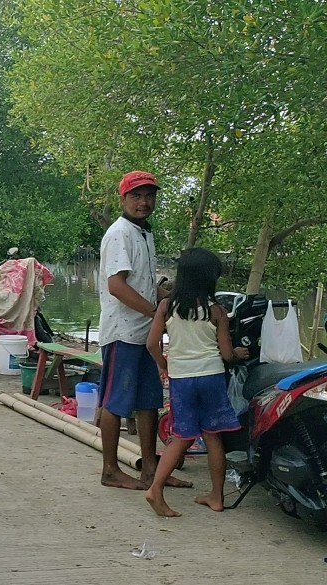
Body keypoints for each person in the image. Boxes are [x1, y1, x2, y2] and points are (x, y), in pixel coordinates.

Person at [97, 170, 190, 490]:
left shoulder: (144, 234)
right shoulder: (120, 233)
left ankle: (151, 467)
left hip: (144, 334)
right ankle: (110, 469)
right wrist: (156, 311)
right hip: (122, 331)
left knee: (149, 400)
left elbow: (145, 286)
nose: (144, 202)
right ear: (123, 199)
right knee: (115, 402)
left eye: (149, 195)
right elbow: (116, 286)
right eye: (136, 196)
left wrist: (178, 299)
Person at [144, 248, 248, 516]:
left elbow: (151, 344)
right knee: (213, 437)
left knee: (181, 435)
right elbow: (225, 354)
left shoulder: (167, 307)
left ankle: (156, 489)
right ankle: (216, 497)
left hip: (182, 379)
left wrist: (165, 363)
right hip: (211, 377)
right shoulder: (217, 311)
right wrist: (237, 353)